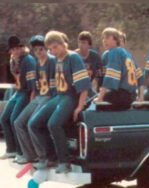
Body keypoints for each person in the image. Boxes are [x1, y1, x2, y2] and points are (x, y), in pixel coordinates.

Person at [28, 31, 91, 173]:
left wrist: (79, 107)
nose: (52, 51)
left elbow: (84, 86)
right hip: (59, 96)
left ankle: (64, 161)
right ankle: (51, 157)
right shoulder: (56, 60)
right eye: (50, 49)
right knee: (34, 123)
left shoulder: (73, 57)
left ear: (63, 44)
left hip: (71, 96)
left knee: (53, 124)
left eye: (55, 47)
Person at [13, 35, 56, 164]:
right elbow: (36, 85)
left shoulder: (52, 61)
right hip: (38, 97)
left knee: (33, 123)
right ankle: (29, 155)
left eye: (41, 49)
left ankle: (43, 156)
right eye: (36, 50)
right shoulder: (37, 63)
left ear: (46, 48)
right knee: (18, 122)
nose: (38, 52)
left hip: (48, 96)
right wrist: (33, 98)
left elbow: (54, 87)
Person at [0, 36, 36, 160]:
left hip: (27, 92)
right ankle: (11, 149)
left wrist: (31, 99)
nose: (15, 51)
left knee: (14, 119)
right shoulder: (12, 60)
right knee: (4, 118)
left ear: (21, 48)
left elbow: (32, 83)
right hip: (19, 91)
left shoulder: (28, 60)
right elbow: (16, 78)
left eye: (17, 48)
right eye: (13, 49)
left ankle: (21, 152)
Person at [93, 27, 144, 109]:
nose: (104, 41)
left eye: (107, 38)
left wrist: (100, 98)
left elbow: (110, 77)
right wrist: (141, 97)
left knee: (95, 102)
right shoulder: (127, 54)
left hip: (121, 96)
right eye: (103, 38)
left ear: (115, 40)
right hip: (132, 95)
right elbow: (140, 76)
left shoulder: (114, 52)